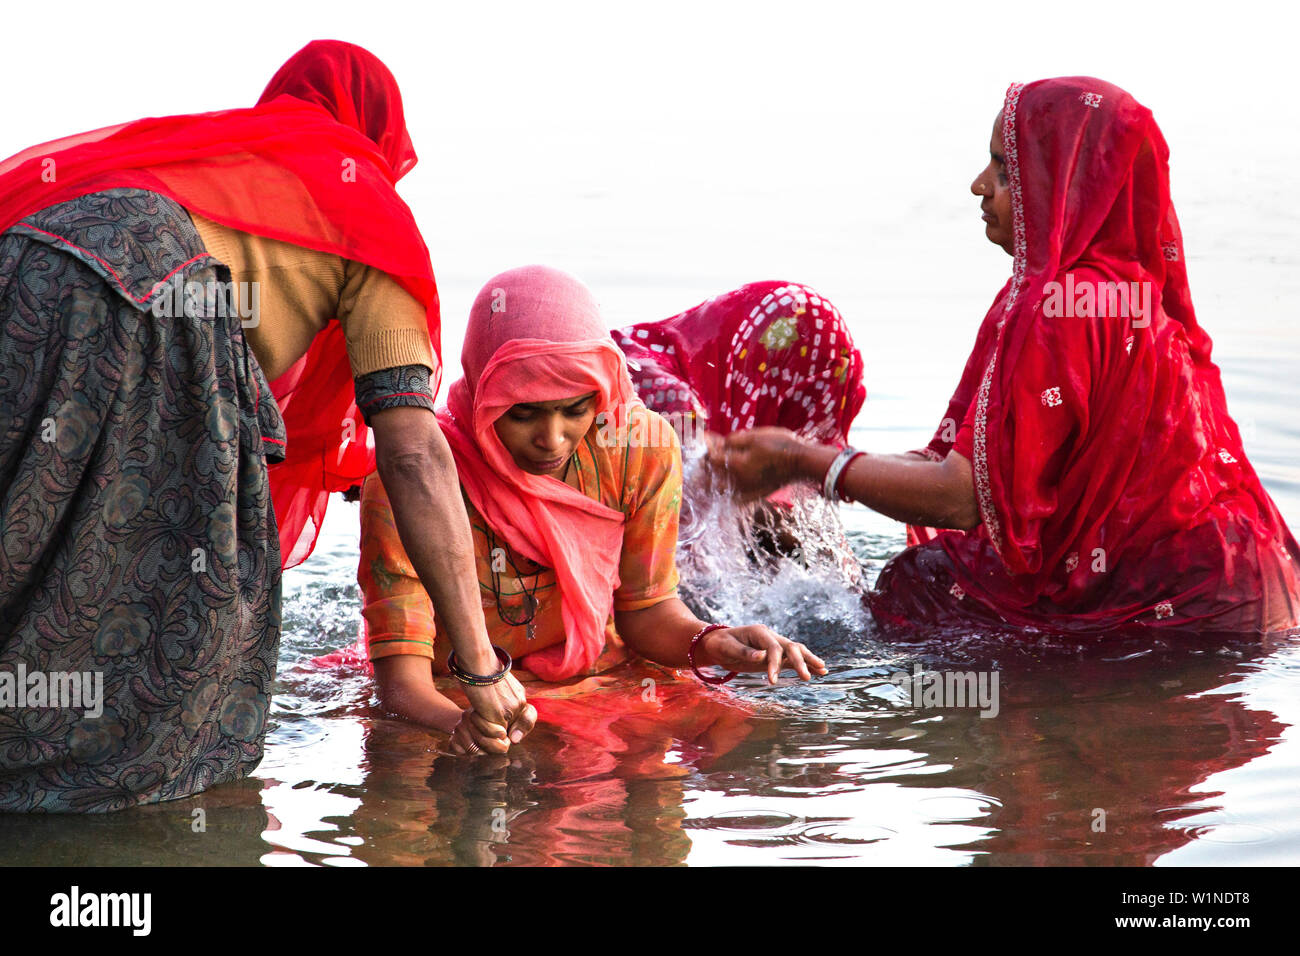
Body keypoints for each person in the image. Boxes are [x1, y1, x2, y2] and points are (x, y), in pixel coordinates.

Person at [0, 41, 526, 813]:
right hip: (164, 297)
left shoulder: (217, 158)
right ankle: (95, 800)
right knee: (191, 599)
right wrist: (481, 669)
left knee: (23, 528)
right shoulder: (370, 212)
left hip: (22, 264)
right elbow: (413, 453)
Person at [710, 76, 1300, 638]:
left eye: (1006, 169)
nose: (978, 185)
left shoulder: (1055, 310)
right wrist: (813, 467)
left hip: (1170, 608)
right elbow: (984, 474)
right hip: (1247, 583)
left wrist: (802, 460)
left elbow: (962, 497)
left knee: (911, 595)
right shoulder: (1130, 292)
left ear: (1066, 184)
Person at [356, 265, 826, 753]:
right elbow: (401, 689)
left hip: (602, 673)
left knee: (742, 733)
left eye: (575, 410)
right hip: (468, 694)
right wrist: (459, 728)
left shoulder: (636, 449)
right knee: (455, 769)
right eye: (521, 413)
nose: (551, 439)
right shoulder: (415, 483)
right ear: (481, 389)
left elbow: (646, 611)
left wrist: (710, 642)